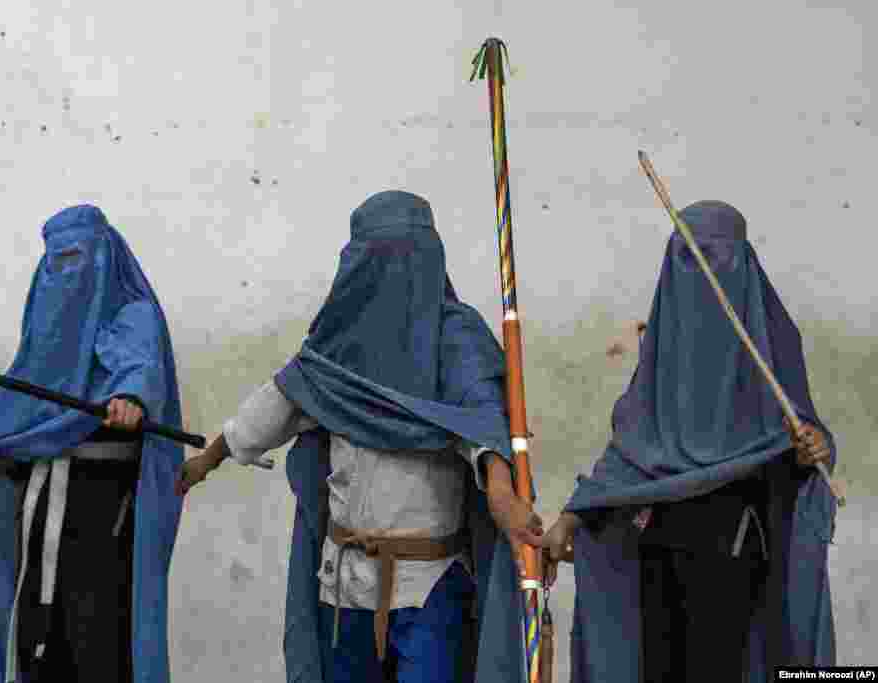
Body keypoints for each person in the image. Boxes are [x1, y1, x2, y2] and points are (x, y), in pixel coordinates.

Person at [178, 190, 545, 683]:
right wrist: (205, 460)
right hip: (345, 586)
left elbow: (482, 423)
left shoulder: (456, 339)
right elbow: (272, 406)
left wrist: (500, 491)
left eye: (407, 255)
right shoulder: (335, 345)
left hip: (431, 586)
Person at [540, 200, 837, 683]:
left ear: (744, 262)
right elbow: (629, 455)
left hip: (737, 546)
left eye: (718, 259)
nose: (702, 275)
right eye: (687, 260)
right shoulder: (664, 350)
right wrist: (569, 520)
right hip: (657, 545)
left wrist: (812, 451)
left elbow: (803, 438)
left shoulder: (772, 342)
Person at [0, 205, 184, 683]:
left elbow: (139, 368)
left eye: (78, 257)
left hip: (106, 511)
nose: (66, 272)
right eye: (56, 261)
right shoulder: (49, 320)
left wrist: (130, 398)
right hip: (40, 512)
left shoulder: (133, 313)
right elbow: (29, 419)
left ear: (105, 257)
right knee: (39, 638)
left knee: (99, 640)